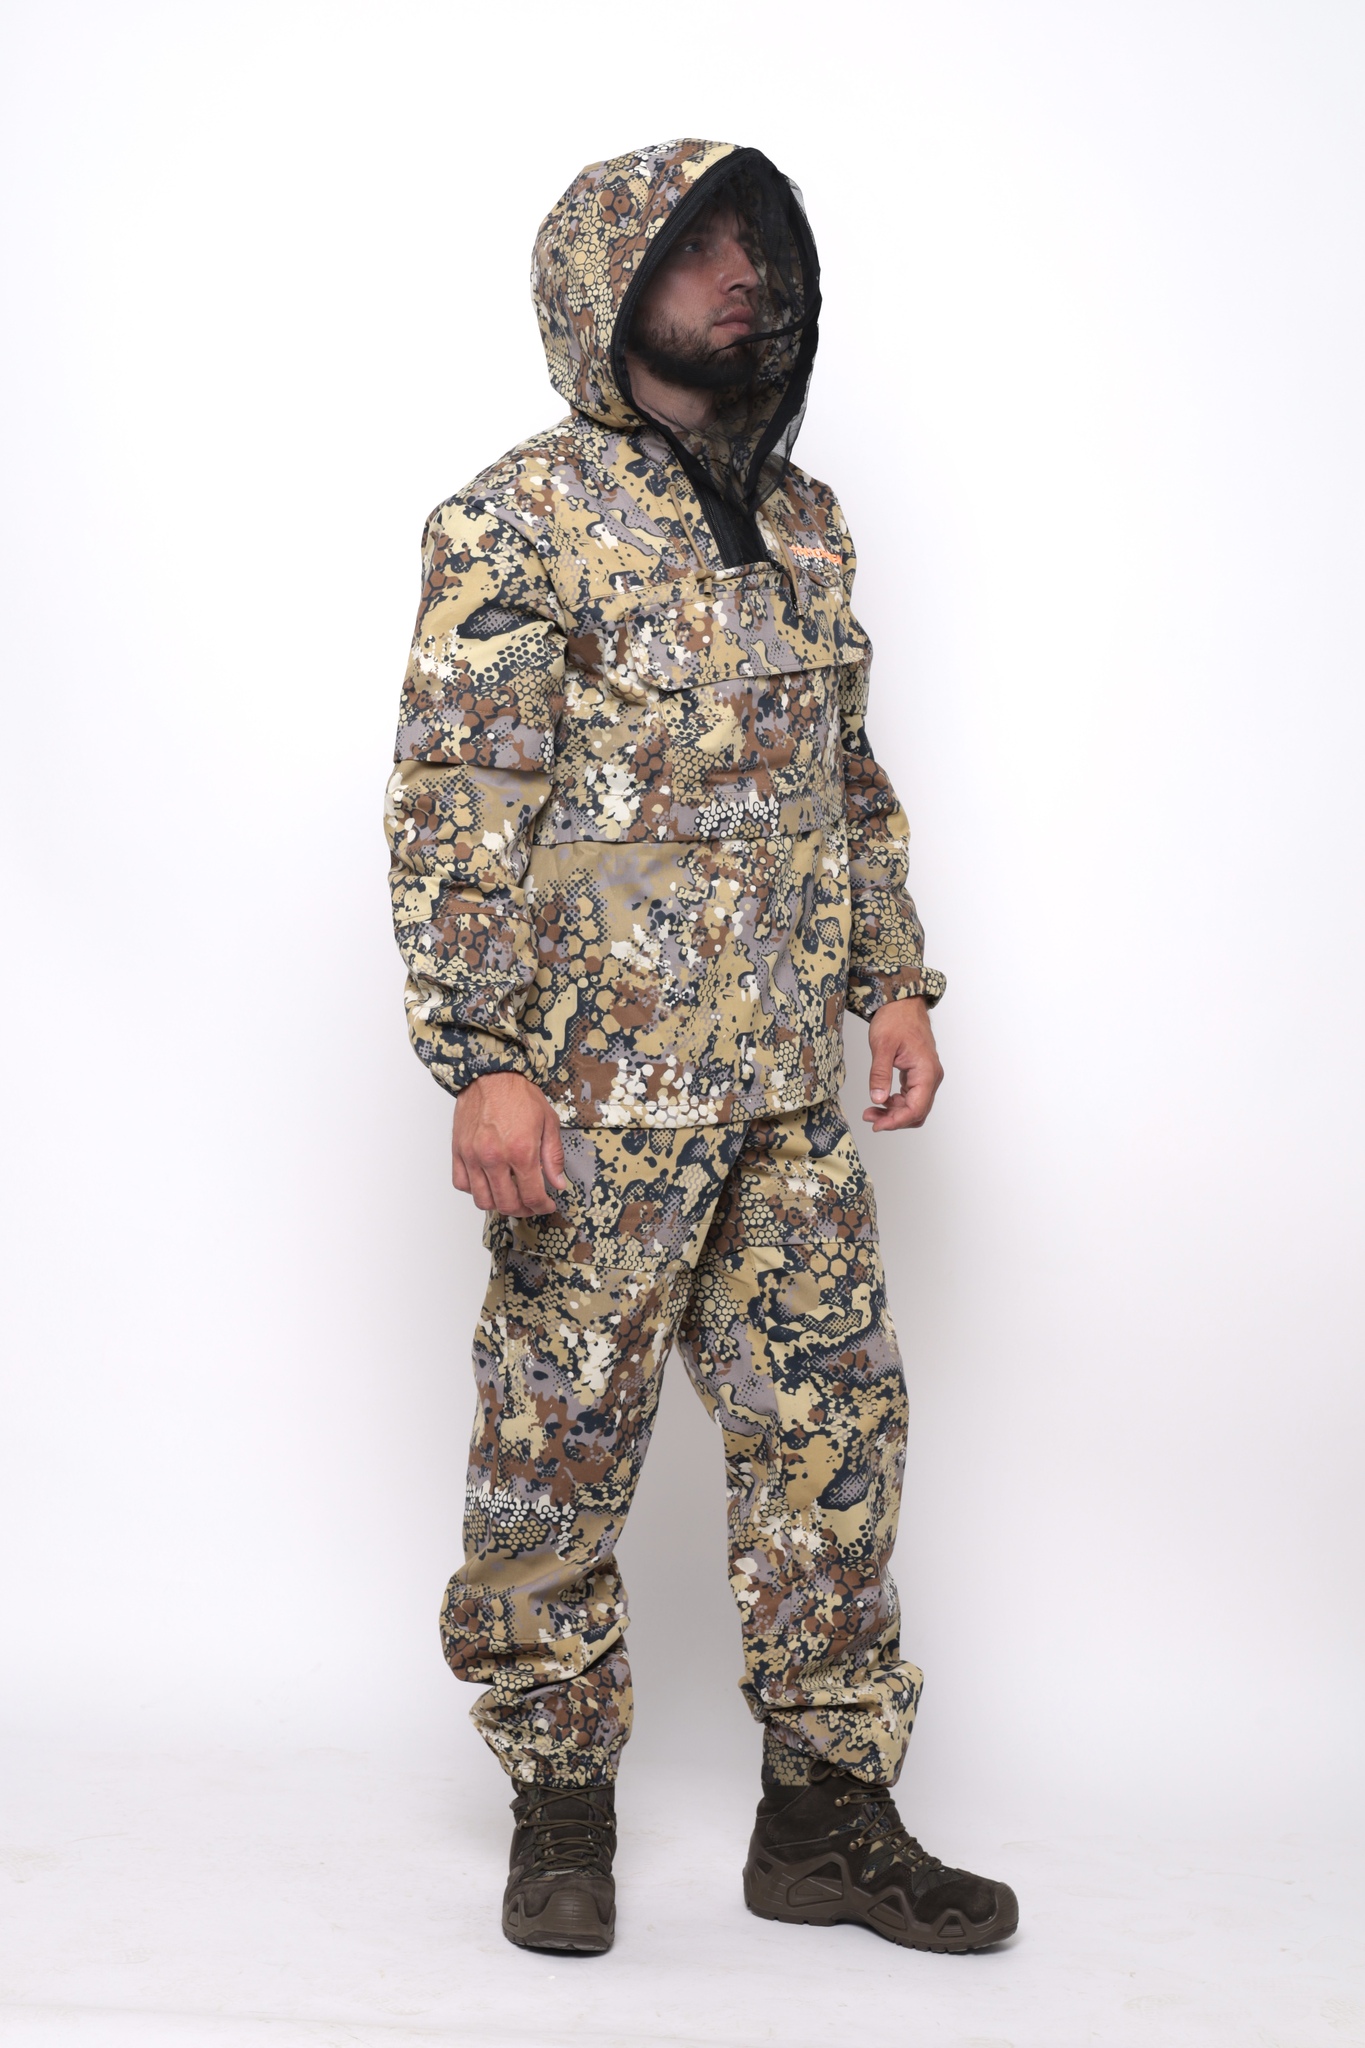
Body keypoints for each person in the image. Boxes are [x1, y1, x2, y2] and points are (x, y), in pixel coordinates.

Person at [385, 139, 1017, 1958]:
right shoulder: (515, 519)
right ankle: (558, 1808)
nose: (747, 275)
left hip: (784, 1102)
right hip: (595, 1101)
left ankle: (824, 1821)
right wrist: (484, 1057)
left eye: (761, 246)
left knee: (831, 1440)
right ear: (610, 279)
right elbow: (456, 801)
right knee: (556, 1456)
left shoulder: (805, 520)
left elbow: (844, 777)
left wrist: (890, 980)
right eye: (702, 248)